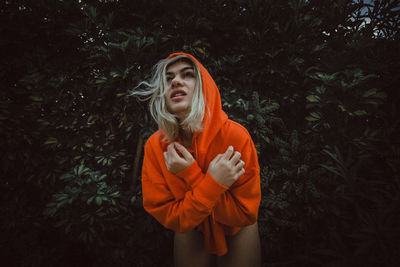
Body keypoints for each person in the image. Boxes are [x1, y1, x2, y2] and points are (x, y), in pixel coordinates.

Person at [132, 52, 261, 267]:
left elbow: (243, 214)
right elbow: (171, 217)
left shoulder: (235, 136)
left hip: (236, 228)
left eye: (187, 74)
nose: (176, 81)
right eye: (169, 78)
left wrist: (190, 174)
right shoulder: (155, 147)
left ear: (204, 86)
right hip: (191, 226)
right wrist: (211, 181)